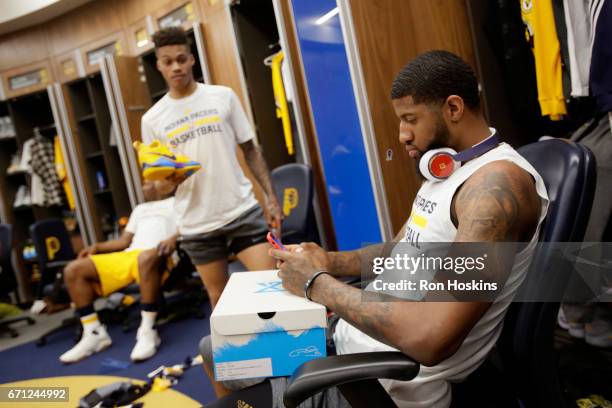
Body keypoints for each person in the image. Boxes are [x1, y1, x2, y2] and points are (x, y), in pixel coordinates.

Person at [199, 50, 550, 407]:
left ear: (454, 109)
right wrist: (326, 262)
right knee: (214, 348)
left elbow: (432, 337)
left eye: (410, 119)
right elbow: (400, 254)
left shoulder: (495, 189)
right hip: (352, 343)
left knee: (227, 370)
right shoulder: (448, 169)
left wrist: (315, 284)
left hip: (379, 381)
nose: (402, 135)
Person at [141, 27, 279, 309]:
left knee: (272, 287)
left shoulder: (223, 96)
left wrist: (271, 197)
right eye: (168, 62)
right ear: (159, 66)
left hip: (240, 210)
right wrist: (172, 179)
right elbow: (159, 186)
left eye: (181, 58)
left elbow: (251, 150)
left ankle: (288, 351)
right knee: (220, 300)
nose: (176, 66)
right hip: (196, 224)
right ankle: (240, 354)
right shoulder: (152, 119)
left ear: (192, 59)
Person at [59, 180, 178, 364]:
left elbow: (189, 226)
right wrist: (97, 246)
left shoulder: (178, 203)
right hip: (129, 255)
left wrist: (174, 238)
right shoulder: (140, 209)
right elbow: (123, 242)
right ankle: (94, 333)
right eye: (143, 181)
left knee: (145, 258)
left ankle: (148, 331)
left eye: (150, 180)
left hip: (159, 254)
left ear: (168, 184)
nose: (144, 183)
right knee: (73, 269)